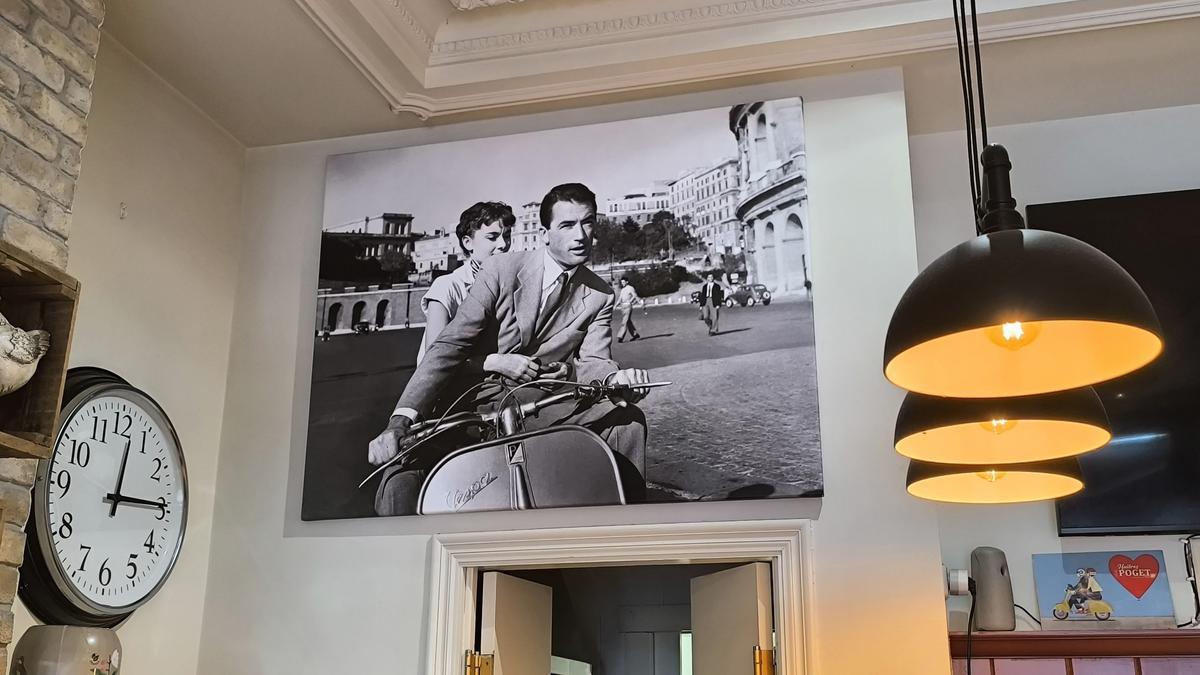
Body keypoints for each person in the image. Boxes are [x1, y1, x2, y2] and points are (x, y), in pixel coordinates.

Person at [368, 183, 652, 516]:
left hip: (545, 404)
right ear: (545, 233)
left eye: (587, 223)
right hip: (474, 401)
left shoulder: (601, 294)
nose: (581, 235)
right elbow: (449, 346)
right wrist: (399, 421)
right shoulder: (501, 269)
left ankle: (624, 527)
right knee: (402, 476)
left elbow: (595, 361)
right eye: (567, 225)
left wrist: (617, 380)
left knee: (628, 422)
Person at [417, 201, 514, 365]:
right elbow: (433, 361)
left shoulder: (512, 284)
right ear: (468, 242)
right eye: (492, 237)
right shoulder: (447, 286)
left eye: (507, 236)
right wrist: (495, 363)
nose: (503, 245)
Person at [615, 276, 642, 343]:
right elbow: (620, 299)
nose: (622, 283)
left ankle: (620, 337)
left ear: (627, 282)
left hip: (628, 306)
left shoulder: (630, 288)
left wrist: (631, 301)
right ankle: (635, 335)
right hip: (623, 307)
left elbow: (635, 295)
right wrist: (615, 305)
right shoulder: (623, 290)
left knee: (624, 322)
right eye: (622, 282)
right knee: (628, 321)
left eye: (623, 282)